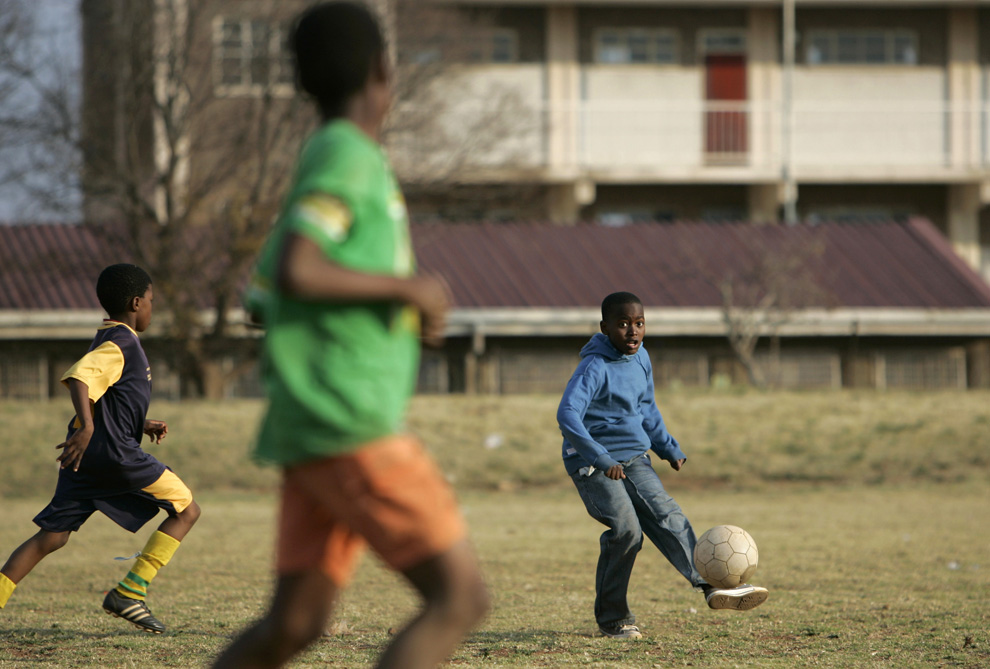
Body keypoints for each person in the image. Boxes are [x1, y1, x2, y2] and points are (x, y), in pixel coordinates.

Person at [212, 3, 489, 668]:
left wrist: (385, 320)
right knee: (459, 595)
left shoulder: (322, 158)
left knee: (294, 622)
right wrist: (409, 290)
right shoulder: (350, 155)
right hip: (350, 421)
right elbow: (299, 268)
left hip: (311, 424)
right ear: (382, 69)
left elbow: (264, 295)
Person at [0, 263, 201, 634]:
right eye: (152, 301)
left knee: (52, 537)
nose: (153, 309)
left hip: (88, 460)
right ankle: (129, 592)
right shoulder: (121, 342)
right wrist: (89, 426)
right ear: (136, 302)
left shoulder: (109, 338)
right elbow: (80, 377)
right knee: (187, 509)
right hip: (114, 455)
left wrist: (141, 422)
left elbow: (107, 397)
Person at [557, 291, 768, 639]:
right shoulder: (594, 366)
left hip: (635, 457)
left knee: (668, 516)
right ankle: (613, 619)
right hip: (592, 463)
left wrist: (667, 446)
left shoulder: (641, 359)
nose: (632, 332)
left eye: (639, 323)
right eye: (623, 324)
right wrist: (600, 457)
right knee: (627, 531)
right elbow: (567, 415)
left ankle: (712, 586)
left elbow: (647, 409)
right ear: (605, 327)